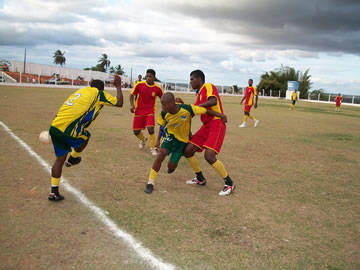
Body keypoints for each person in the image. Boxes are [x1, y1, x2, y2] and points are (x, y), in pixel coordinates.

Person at [47, 75, 123, 201]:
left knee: (59, 160)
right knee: (86, 136)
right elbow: (119, 103)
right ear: (101, 89)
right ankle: (72, 159)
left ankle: (53, 192)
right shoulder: (98, 93)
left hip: (55, 126)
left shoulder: (80, 91)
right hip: (68, 129)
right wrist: (118, 86)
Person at [144, 92, 227, 194]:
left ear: (171, 103)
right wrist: (157, 141)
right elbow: (161, 126)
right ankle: (150, 183)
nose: (162, 107)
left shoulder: (187, 109)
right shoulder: (163, 114)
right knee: (161, 155)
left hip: (182, 142)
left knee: (171, 166)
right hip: (170, 137)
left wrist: (221, 115)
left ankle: (173, 165)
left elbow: (206, 111)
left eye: (164, 104)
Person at [183, 70, 235, 196]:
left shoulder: (208, 86)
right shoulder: (199, 94)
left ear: (199, 79)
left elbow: (213, 101)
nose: (190, 82)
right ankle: (200, 178)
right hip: (206, 126)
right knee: (188, 150)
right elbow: (192, 113)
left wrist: (197, 107)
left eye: (192, 79)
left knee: (209, 156)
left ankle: (229, 183)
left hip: (216, 124)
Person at [129, 69, 164, 156]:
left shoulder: (157, 88)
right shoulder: (139, 85)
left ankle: (153, 148)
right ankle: (144, 139)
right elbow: (131, 95)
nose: (148, 78)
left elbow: (163, 99)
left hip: (150, 111)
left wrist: (166, 108)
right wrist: (132, 105)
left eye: (150, 76)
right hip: (139, 111)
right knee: (136, 132)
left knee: (151, 129)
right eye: (147, 76)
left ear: (154, 77)